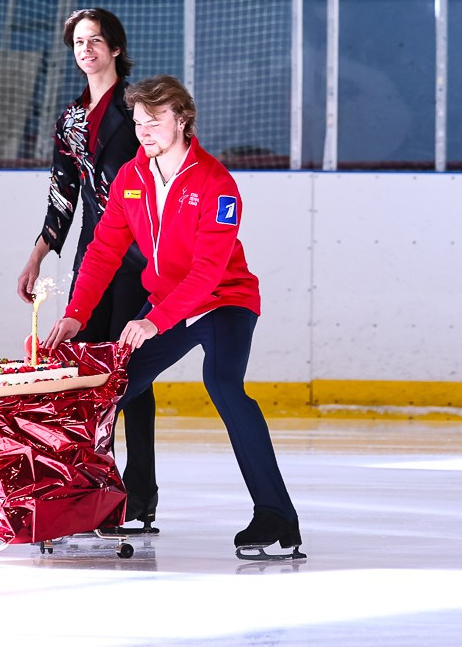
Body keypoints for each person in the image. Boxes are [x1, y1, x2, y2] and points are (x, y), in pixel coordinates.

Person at [43, 74, 304, 561]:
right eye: (138, 120)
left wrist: (152, 322)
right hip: (165, 303)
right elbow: (103, 250)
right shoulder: (130, 178)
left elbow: (207, 274)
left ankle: (275, 514)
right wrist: (77, 314)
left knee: (225, 385)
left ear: (182, 119)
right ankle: (92, 502)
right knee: (111, 390)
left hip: (223, 300)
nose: (144, 129)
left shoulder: (216, 183)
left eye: (155, 119)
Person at [17, 8, 158, 533]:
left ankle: (138, 496)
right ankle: (92, 490)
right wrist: (37, 254)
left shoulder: (141, 109)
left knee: (128, 377)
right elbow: (63, 196)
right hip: (92, 258)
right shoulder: (70, 120)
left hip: (140, 258)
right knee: (84, 378)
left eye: (96, 40)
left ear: (116, 48)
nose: (86, 49)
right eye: (79, 41)